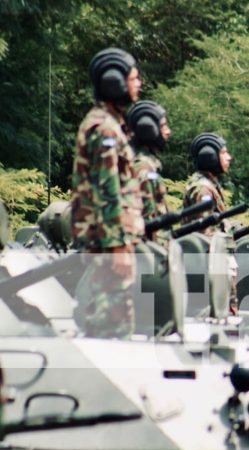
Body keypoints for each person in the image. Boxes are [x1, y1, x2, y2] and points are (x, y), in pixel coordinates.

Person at [71, 47, 143, 339]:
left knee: (115, 322)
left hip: (110, 242)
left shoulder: (108, 125)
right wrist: (117, 246)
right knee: (111, 328)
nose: (139, 85)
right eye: (134, 78)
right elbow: (107, 190)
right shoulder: (106, 130)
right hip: (108, 244)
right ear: (115, 82)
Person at [183, 132, 238, 313]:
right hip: (211, 265)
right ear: (210, 156)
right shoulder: (203, 189)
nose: (228, 157)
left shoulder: (210, 185)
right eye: (223, 153)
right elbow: (204, 235)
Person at [126, 100, 171, 243]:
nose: (168, 131)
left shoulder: (147, 163)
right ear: (149, 129)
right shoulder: (144, 167)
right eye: (163, 126)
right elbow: (148, 219)